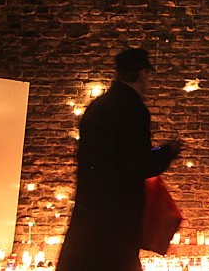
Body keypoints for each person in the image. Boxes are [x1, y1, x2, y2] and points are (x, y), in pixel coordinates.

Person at [57, 48, 181, 271]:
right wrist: (167, 151)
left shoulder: (97, 107)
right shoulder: (133, 109)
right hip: (119, 215)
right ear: (142, 73)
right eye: (148, 75)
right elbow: (138, 163)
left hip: (90, 211)